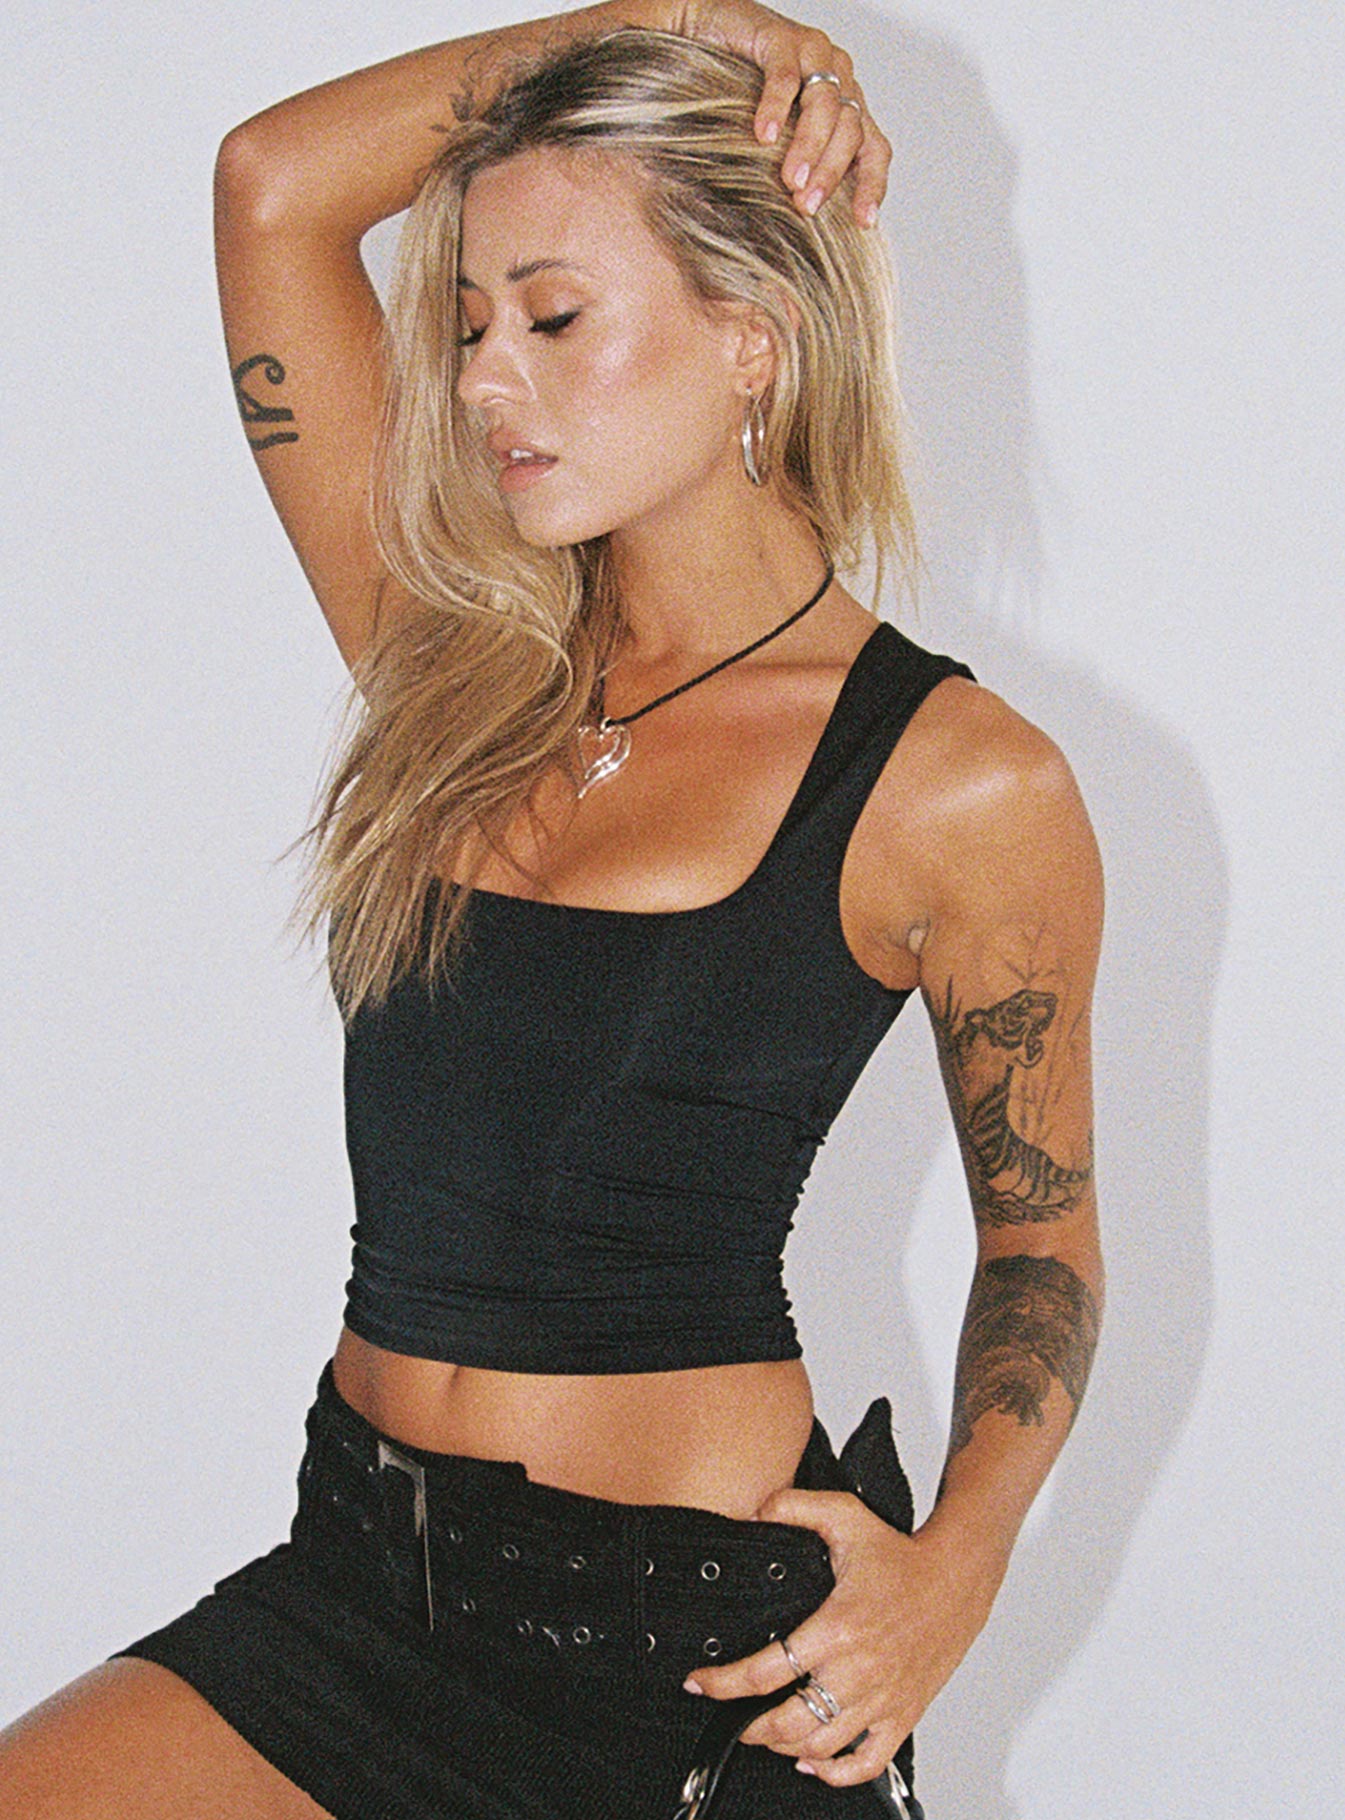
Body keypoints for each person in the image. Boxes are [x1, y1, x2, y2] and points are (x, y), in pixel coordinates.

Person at [0, 3, 1104, 1816]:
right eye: (463, 326)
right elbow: (271, 185)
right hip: (353, 1587)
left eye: (553, 317)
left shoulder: (952, 779)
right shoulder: (456, 669)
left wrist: (958, 1568)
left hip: (679, 1671)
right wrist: (665, 23)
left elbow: (1043, 1246)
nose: (482, 382)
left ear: (752, 336)